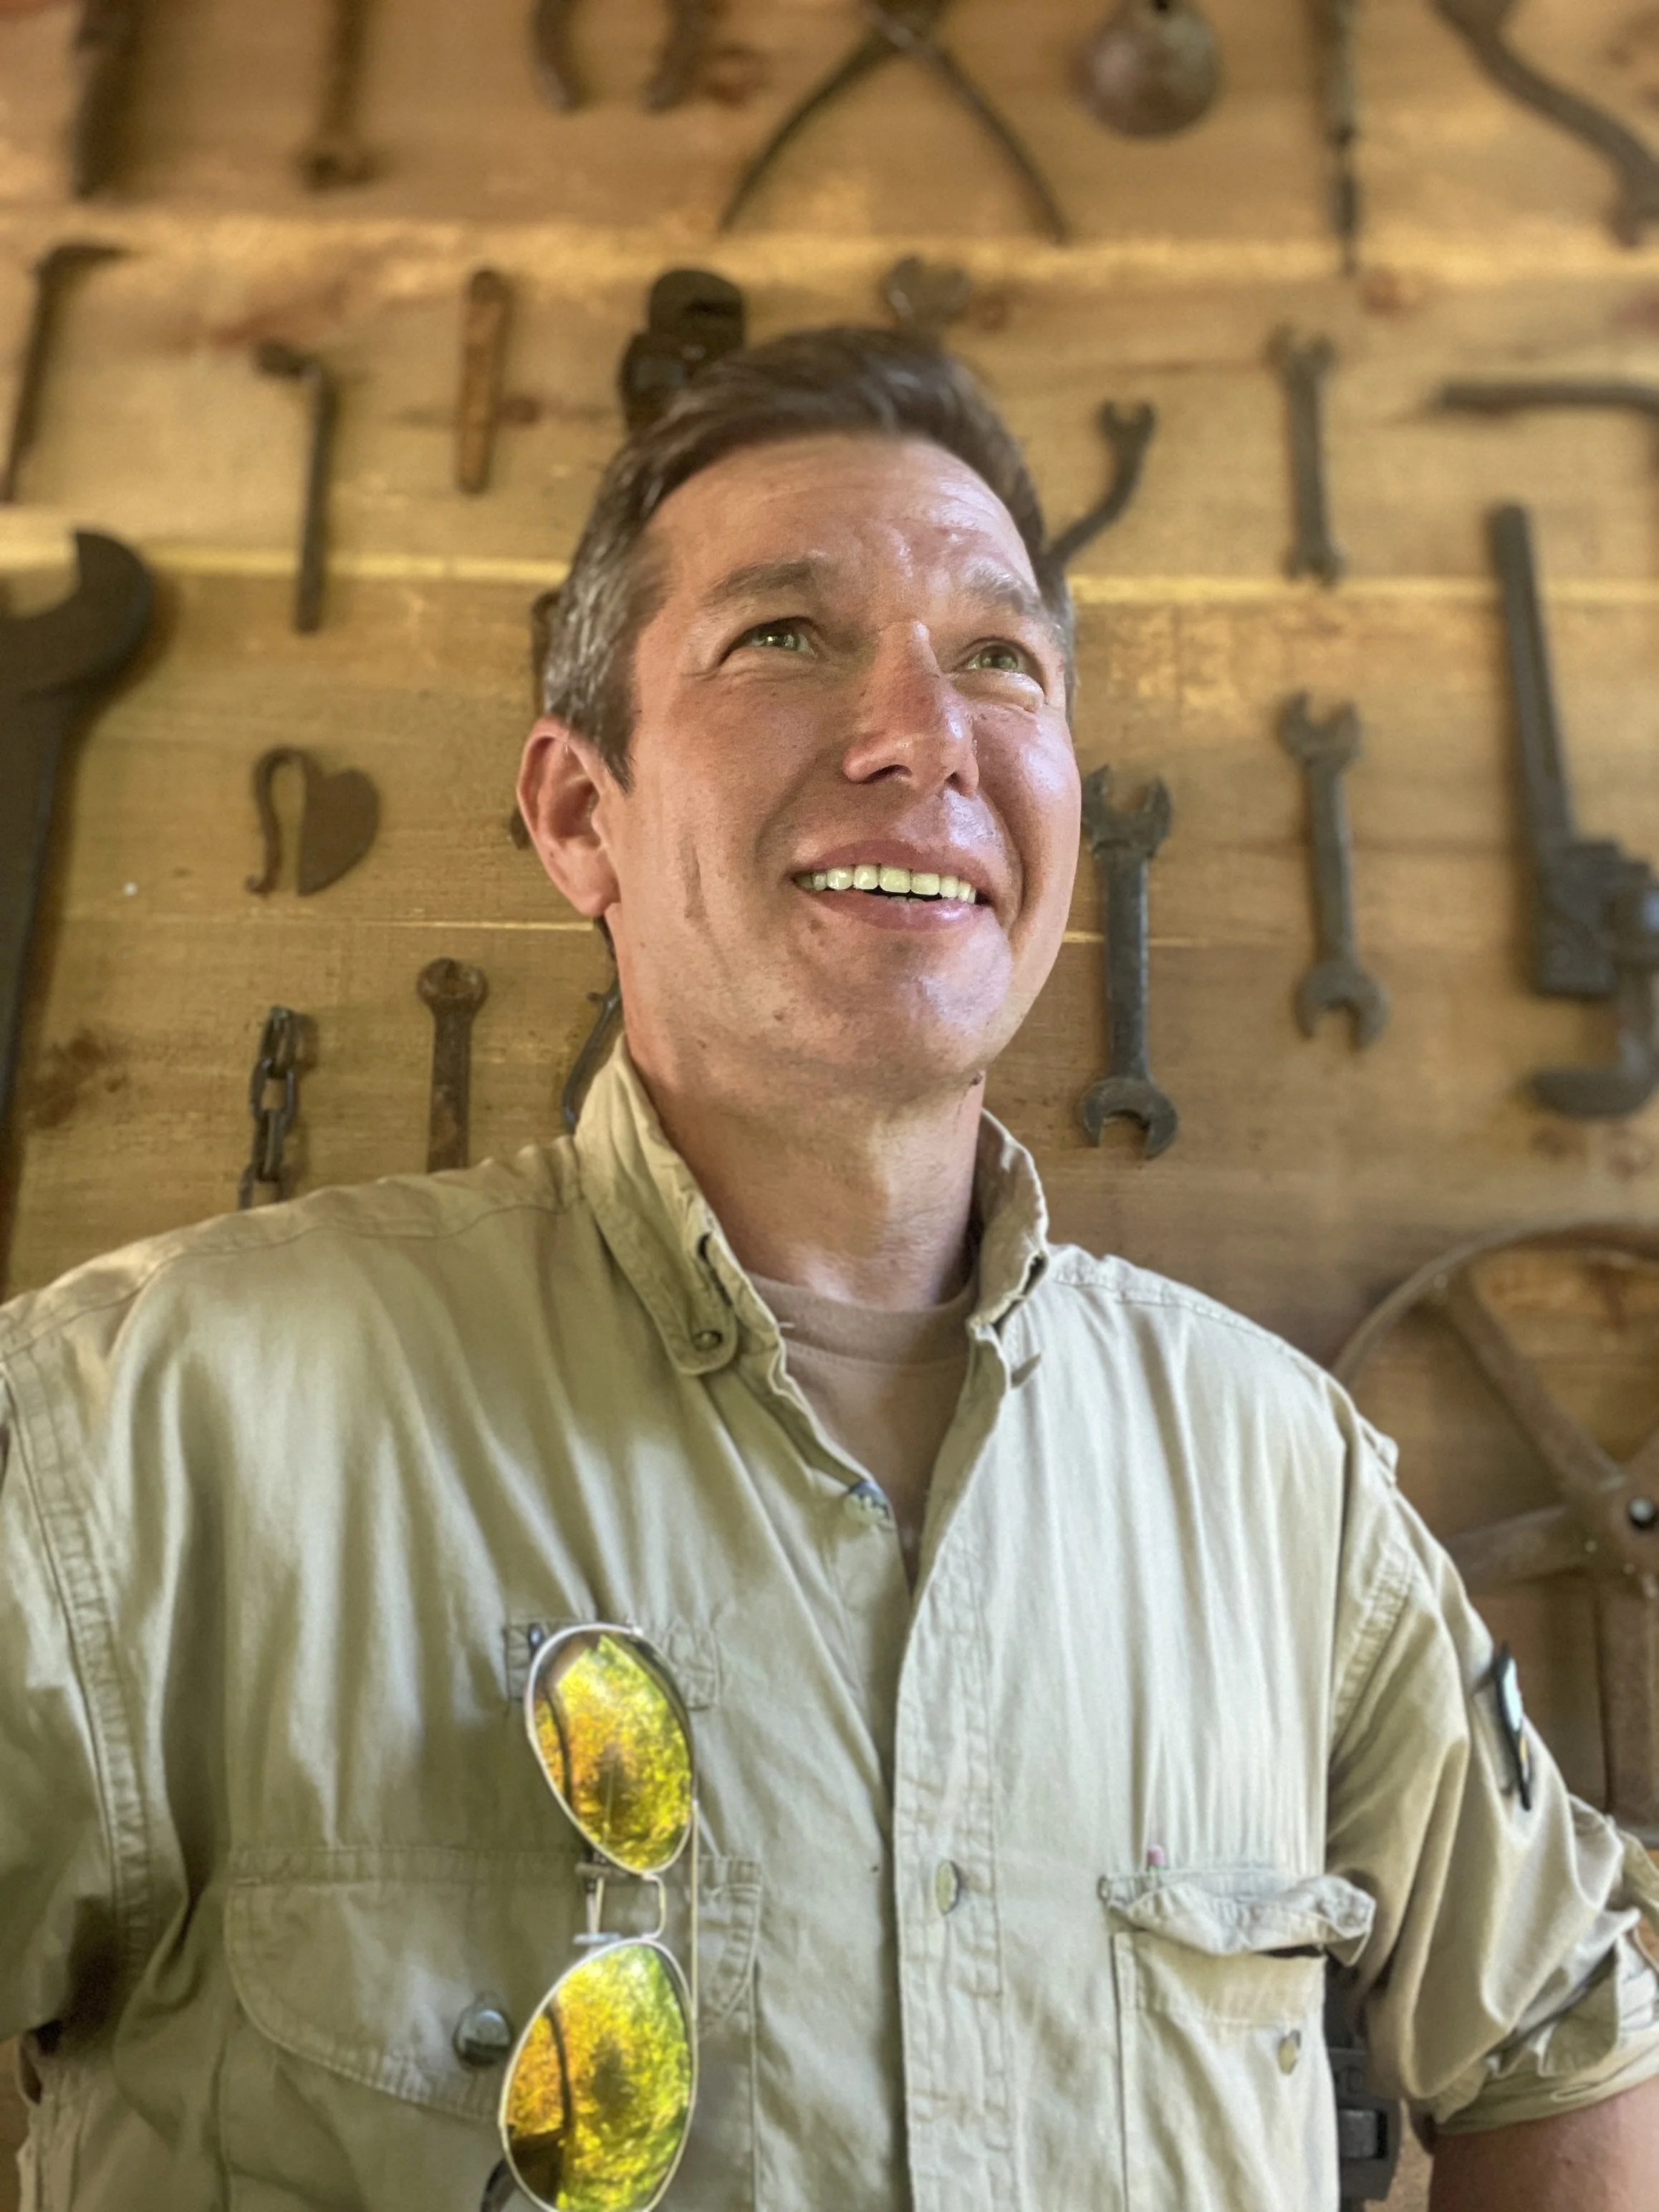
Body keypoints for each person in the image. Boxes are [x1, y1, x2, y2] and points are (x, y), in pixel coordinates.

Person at [1, 327, 1657, 2212]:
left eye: (996, 660)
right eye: (783, 637)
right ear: (575, 814)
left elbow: (1566, 2046)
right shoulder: (134, 1436)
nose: (920, 735)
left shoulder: (1278, 1470)